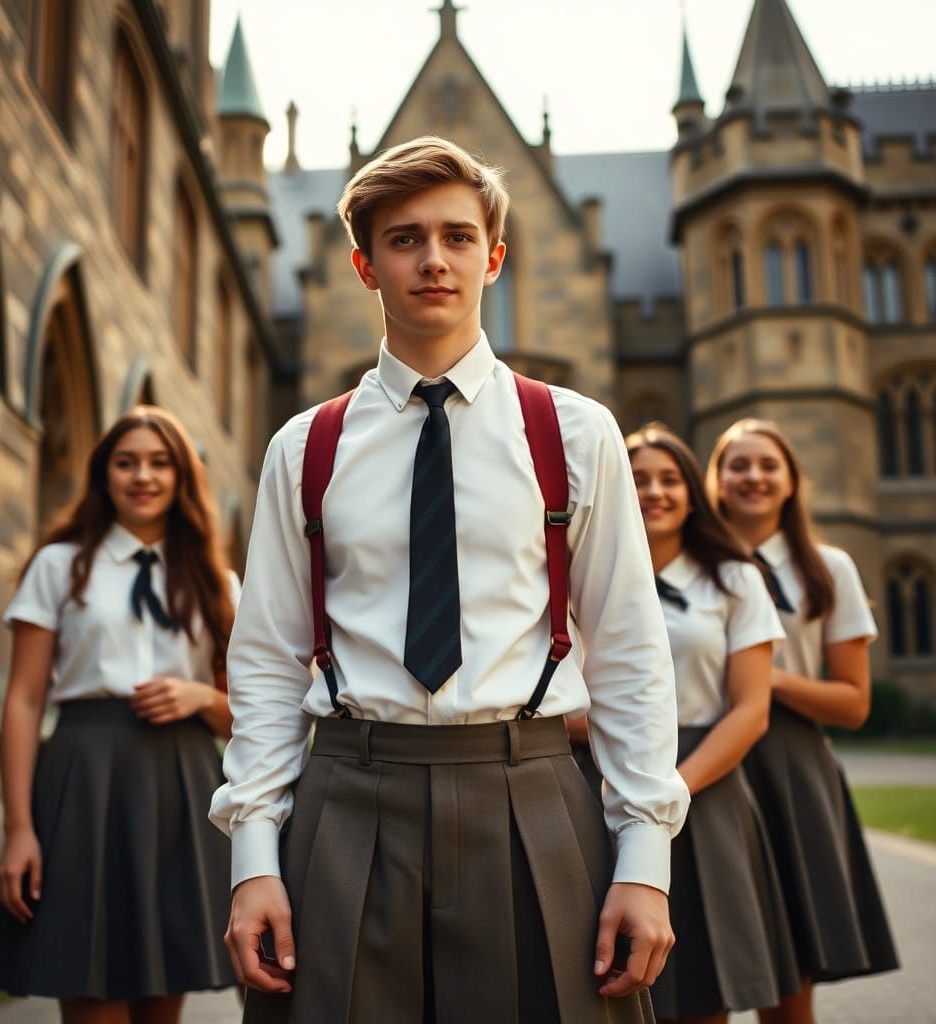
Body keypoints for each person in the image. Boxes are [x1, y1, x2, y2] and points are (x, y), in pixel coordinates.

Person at [210, 136, 689, 1024]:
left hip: (533, 790)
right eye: (404, 239)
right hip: (349, 795)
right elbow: (269, 664)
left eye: (458, 237)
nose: (434, 259)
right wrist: (254, 860)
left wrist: (645, 863)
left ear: (494, 257)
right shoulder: (303, 447)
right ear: (363, 265)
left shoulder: (577, 434)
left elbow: (629, 651)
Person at [0, 406, 239, 1024]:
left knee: (162, 997)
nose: (143, 476)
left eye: (159, 463)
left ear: (182, 478)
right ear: (103, 475)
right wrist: (18, 828)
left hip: (183, 786)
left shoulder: (217, 582)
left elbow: (249, 715)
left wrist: (201, 698)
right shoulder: (59, 566)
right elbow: (22, 700)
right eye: (126, 463)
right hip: (83, 782)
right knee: (91, 993)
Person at [707, 418, 898, 1024]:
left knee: (791, 983)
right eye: (739, 465)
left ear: (791, 482)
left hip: (790, 769)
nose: (754, 477)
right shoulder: (687, 566)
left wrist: (763, 678)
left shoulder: (830, 568)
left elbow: (854, 703)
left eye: (768, 465)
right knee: (703, 968)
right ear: (717, 479)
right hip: (705, 756)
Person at [622, 423, 799, 1023]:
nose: (654, 491)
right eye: (638, 478)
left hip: (708, 783)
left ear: (695, 493)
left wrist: (673, 788)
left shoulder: (735, 578)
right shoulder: (576, 576)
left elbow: (750, 708)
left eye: (669, 479)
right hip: (603, 778)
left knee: (703, 986)